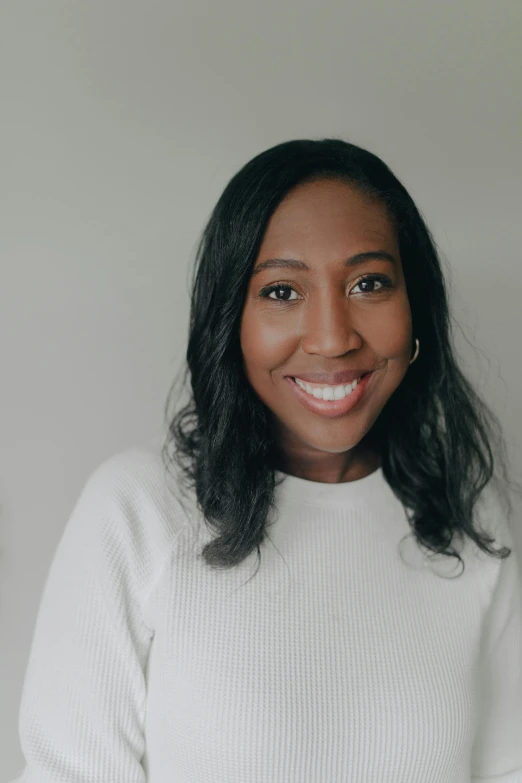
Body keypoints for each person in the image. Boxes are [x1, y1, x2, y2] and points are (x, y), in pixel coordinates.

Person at [9, 139, 522, 782]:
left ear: (415, 304)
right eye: (281, 291)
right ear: (231, 321)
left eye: (369, 283)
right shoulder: (137, 509)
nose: (333, 337)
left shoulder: (472, 518)